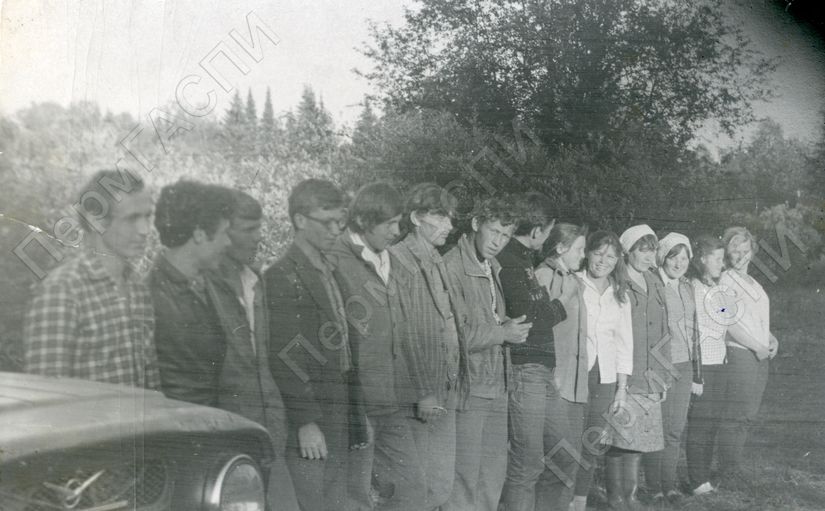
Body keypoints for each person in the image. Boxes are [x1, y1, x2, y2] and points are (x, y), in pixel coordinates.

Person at [329, 182, 427, 510]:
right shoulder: (336, 259)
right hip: (357, 403)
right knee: (355, 495)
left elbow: (403, 329)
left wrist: (418, 389)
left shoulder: (390, 259)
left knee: (411, 490)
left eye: (398, 223)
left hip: (392, 399)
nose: (396, 232)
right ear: (364, 220)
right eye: (389, 224)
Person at [207, 190, 301, 511]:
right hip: (225, 439)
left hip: (268, 434)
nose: (258, 237)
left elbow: (267, 361)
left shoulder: (256, 281)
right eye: (248, 229)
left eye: (259, 228)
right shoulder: (201, 287)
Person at [264, 179, 354, 511]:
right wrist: (305, 421)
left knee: (336, 500)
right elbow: (285, 357)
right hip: (312, 411)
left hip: (338, 403)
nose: (335, 230)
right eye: (326, 222)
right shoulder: (281, 276)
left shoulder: (330, 270)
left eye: (339, 222)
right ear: (300, 220)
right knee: (313, 500)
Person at [24, 169, 159, 389]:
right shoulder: (62, 291)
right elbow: (47, 394)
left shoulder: (138, 288)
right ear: (95, 219)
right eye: (132, 218)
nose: (145, 230)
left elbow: (150, 390)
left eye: (148, 216)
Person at [442, 196, 531, 511]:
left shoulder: (492, 265)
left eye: (506, 235)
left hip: (497, 383)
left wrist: (505, 328)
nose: (498, 241)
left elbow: (488, 319)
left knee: (492, 473)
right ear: (476, 223)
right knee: (464, 476)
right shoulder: (451, 266)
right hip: (468, 385)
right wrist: (502, 333)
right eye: (494, 231)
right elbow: (451, 336)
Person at [497, 194, 577, 511]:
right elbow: (530, 318)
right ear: (536, 231)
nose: (546, 239)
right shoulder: (508, 261)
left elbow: (536, 311)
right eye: (547, 231)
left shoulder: (524, 260)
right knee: (527, 463)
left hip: (542, 372)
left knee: (564, 455)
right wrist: (564, 301)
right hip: (524, 371)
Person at [389, 182, 462, 510]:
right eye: (441, 217)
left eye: (451, 218)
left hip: (444, 385)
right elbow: (403, 332)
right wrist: (422, 392)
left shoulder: (436, 259)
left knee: (440, 484)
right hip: (419, 393)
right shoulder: (398, 259)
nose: (449, 225)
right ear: (416, 218)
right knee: (415, 486)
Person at [149, 180, 235, 407]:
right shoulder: (151, 297)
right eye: (224, 233)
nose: (228, 242)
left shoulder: (208, 284)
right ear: (199, 234)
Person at [571, 230, 633, 511]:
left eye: (610, 256)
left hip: (604, 378)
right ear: (587, 253)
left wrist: (621, 389)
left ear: (618, 260)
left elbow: (624, 344)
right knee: (568, 439)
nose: (603, 261)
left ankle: (579, 501)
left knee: (592, 441)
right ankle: (559, 499)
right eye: (598, 253)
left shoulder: (619, 294)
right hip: (574, 374)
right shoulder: (573, 282)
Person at [642, 232, 703, 504]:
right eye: (673, 257)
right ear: (662, 258)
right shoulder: (653, 283)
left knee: (676, 429)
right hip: (661, 364)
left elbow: (694, 331)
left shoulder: (687, 287)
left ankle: (669, 486)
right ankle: (653, 487)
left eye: (684, 258)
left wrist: (697, 372)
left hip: (684, 365)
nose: (678, 263)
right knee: (658, 427)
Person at [716, 226, 778, 485]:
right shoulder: (725, 280)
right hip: (740, 353)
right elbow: (728, 323)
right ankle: (727, 470)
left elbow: (755, 319)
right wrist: (755, 346)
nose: (741, 255)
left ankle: (734, 467)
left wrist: (771, 338)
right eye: (735, 250)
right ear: (726, 253)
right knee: (736, 414)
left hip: (759, 354)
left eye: (745, 249)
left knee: (748, 413)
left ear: (752, 251)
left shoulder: (754, 283)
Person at [533, 223, 590, 507]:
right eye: (579, 249)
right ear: (560, 248)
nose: (584, 255)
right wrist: (550, 374)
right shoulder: (543, 276)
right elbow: (540, 329)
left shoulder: (574, 280)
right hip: (555, 382)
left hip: (576, 384)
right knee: (558, 458)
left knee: (570, 458)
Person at [685, 234, 729, 496]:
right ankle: (697, 480)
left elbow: (725, 319)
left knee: (712, 423)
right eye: (717, 258)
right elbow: (692, 332)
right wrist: (696, 373)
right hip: (702, 366)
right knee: (700, 425)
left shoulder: (716, 288)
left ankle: (704, 479)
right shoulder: (692, 288)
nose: (722, 264)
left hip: (720, 362)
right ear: (702, 259)